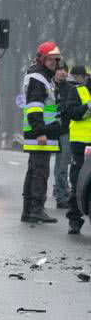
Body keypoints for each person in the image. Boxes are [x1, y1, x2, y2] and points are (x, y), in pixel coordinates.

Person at [21, 42, 63, 223]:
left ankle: (29, 210)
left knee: (34, 171)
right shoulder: (39, 78)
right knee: (40, 172)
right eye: (51, 59)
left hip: (40, 132)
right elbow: (34, 107)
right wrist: (40, 132)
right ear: (42, 58)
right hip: (40, 134)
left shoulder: (43, 77)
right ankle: (36, 209)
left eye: (56, 59)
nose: (55, 62)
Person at [64, 65, 91, 234]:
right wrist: (87, 108)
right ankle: (74, 219)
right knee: (77, 181)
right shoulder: (78, 91)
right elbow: (71, 112)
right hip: (81, 144)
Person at [53, 62, 72, 208]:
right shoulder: (49, 86)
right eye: (60, 69)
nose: (63, 72)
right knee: (54, 166)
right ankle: (60, 193)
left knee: (62, 165)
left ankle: (61, 195)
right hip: (51, 131)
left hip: (65, 130)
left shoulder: (70, 88)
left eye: (65, 70)